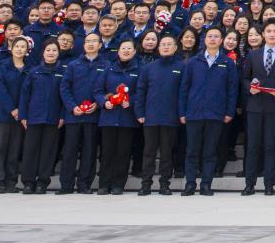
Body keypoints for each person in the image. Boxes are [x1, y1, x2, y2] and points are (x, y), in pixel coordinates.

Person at [181, 28, 237, 196]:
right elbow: (184, 89)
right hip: (194, 113)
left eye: (216, 36)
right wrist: (182, 112)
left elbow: (232, 90)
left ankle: (206, 184)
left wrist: (229, 112)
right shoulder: (193, 62)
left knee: (210, 151)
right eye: (209, 36)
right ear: (204, 40)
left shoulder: (227, 63)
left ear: (221, 40)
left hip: (216, 113)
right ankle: (190, 184)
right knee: (192, 151)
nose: (212, 39)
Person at [241, 20, 275, 195]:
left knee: (271, 146)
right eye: (268, 31)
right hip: (255, 106)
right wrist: (250, 88)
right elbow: (244, 78)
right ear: (263, 34)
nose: (272, 34)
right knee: (252, 146)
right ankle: (249, 184)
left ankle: (269, 185)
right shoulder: (253, 54)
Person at [135, 33, 186, 195]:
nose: (165, 47)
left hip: (171, 117)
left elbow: (184, 93)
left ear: (175, 48)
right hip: (150, 117)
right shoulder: (148, 68)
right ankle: (146, 184)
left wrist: (181, 113)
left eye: (169, 44)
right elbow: (141, 91)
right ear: (158, 47)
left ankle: (164, 184)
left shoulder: (182, 67)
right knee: (149, 152)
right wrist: (140, 112)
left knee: (167, 153)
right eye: (163, 44)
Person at [57, 32, 106, 195]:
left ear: (100, 45)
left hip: (93, 116)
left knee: (89, 151)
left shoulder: (106, 65)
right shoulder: (73, 65)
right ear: (83, 45)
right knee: (69, 151)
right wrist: (72, 107)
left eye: (94, 41)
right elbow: (64, 88)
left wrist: (98, 104)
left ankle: (84, 184)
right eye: (87, 41)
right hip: (74, 116)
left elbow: (107, 89)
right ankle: (66, 185)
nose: (90, 44)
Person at [19, 39, 65, 195]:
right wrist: (23, 115)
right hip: (33, 117)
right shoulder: (34, 72)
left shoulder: (63, 72)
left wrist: (62, 115)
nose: (51, 53)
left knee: (48, 151)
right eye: (48, 50)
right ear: (43, 53)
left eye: (54, 50)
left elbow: (65, 96)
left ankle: (42, 182)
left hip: (53, 117)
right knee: (30, 150)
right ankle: (28, 182)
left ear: (58, 53)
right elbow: (25, 95)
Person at [97, 40, 140, 195]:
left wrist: (131, 101)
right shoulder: (108, 69)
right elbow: (98, 91)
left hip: (127, 119)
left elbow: (141, 92)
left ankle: (118, 184)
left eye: (129, 48)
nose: (126, 51)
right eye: (123, 48)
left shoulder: (139, 70)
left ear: (134, 51)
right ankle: (104, 184)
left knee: (123, 152)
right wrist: (104, 102)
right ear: (118, 51)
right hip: (109, 118)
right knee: (107, 152)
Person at [0, 37, 31, 193]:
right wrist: (12, 109)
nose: (19, 49)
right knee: (0, 148)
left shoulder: (30, 68)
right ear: (11, 49)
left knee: (14, 149)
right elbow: (0, 90)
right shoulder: (3, 67)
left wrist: (21, 110)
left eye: (23, 47)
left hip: (22, 115)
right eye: (17, 46)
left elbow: (29, 91)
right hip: (4, 114)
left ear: (27, 50)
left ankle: (10, 181)